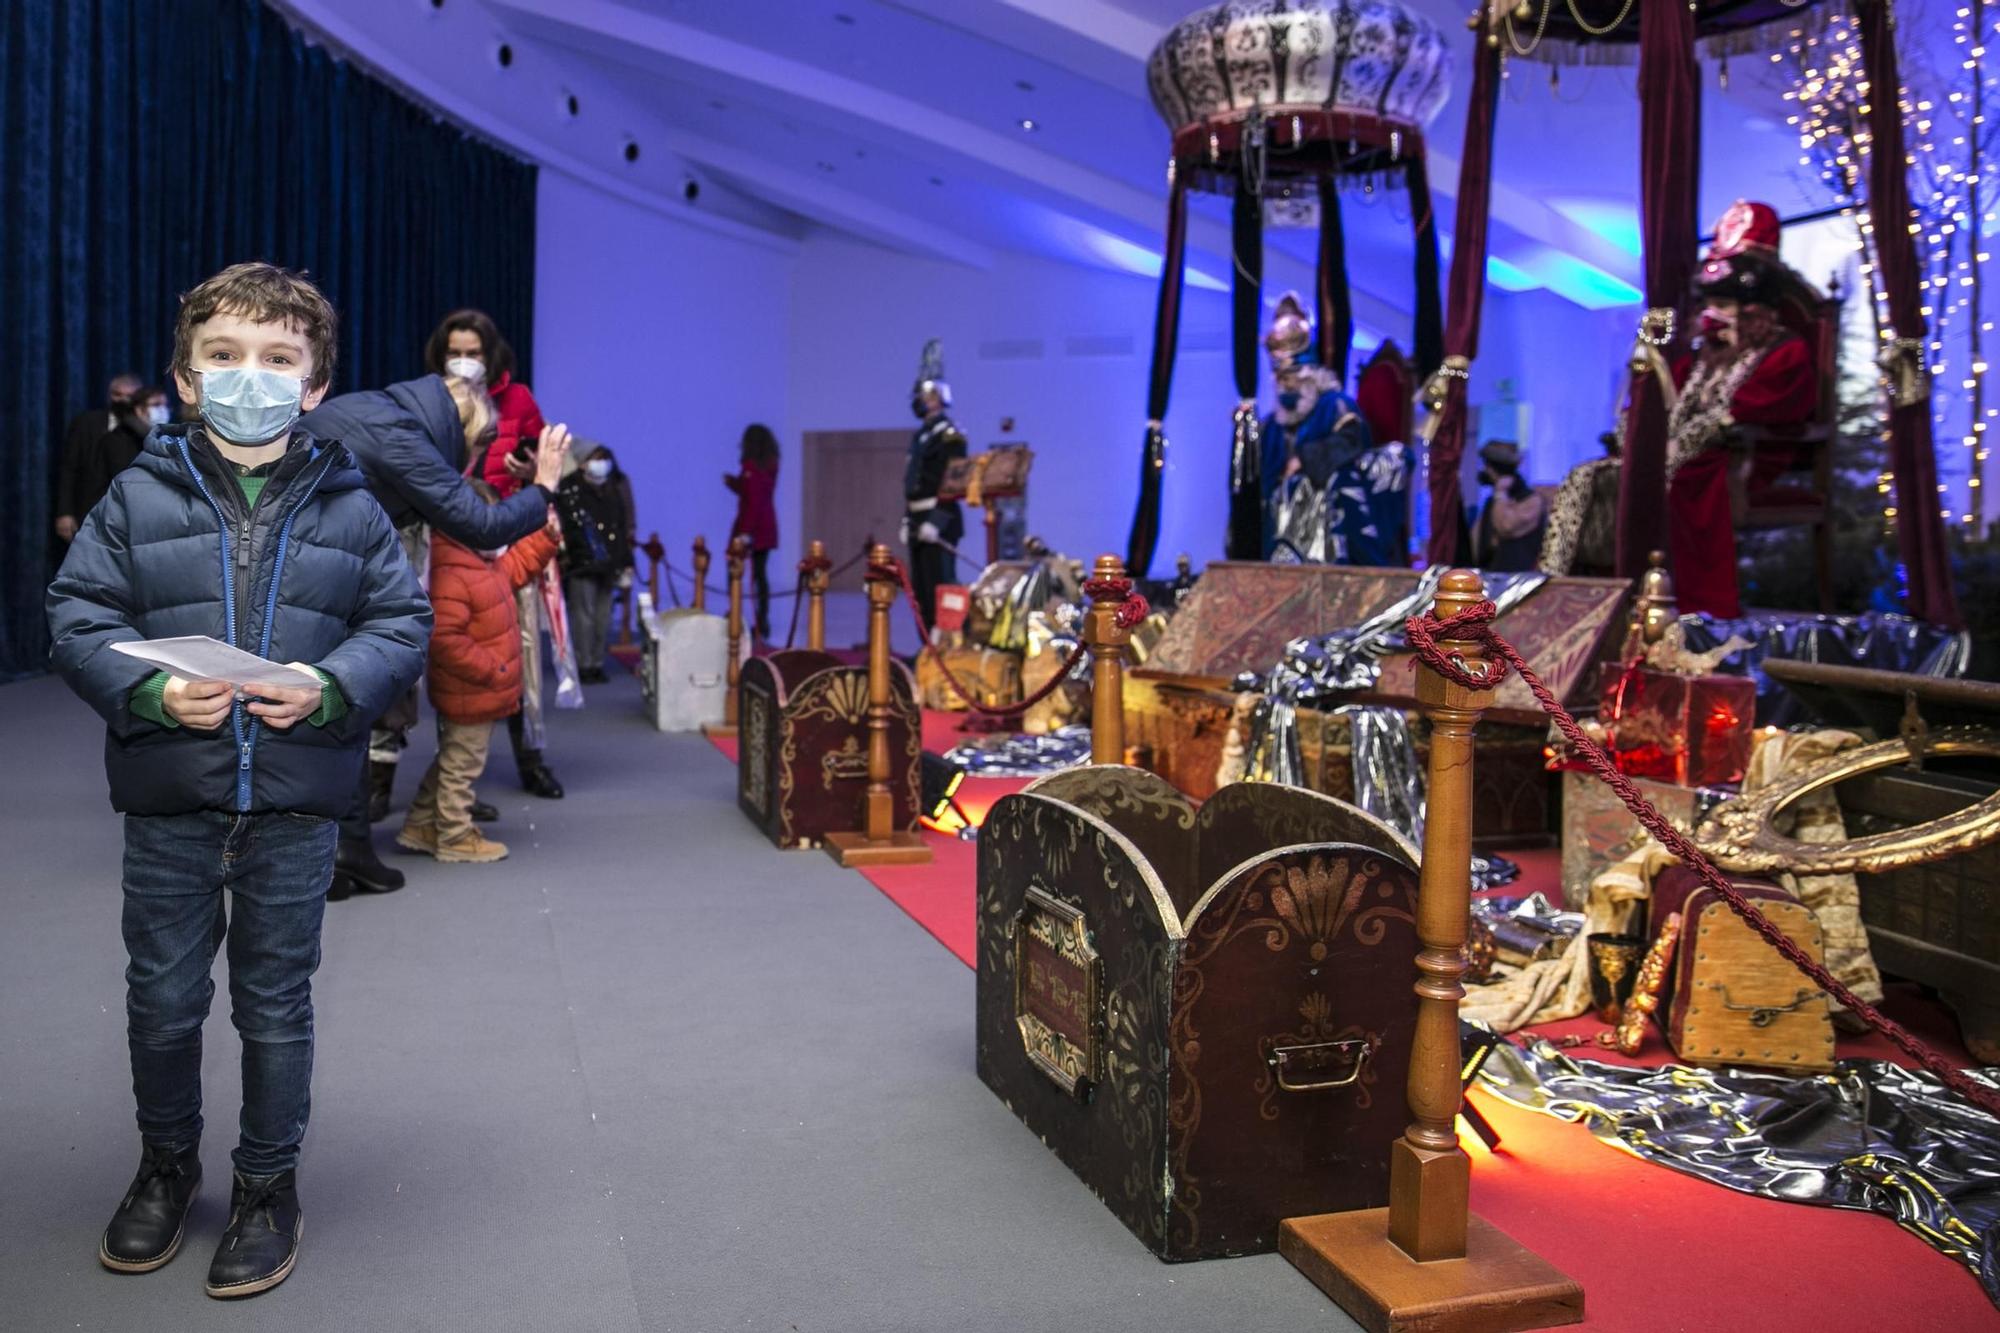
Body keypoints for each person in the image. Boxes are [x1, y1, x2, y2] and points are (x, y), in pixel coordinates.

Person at [46, 262, 430, 1299]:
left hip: (297, 804)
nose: (247, 376)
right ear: (184, 376)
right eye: (223, 356)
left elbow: (399, 624)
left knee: (275, 1003)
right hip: (171, 795)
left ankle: (266, 1183)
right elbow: (78, 619)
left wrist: (330, 685)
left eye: (275, 359)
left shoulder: (352, 505)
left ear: (311, 386)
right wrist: (155, 697)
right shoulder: (135, 494)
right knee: (163, 1000)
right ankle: (166, 1165)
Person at [299, 375, 571, 880]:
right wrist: (544, 488)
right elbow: (480, 524)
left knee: (334, 710)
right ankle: (339, 855)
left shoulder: (382, 409)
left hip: (309, 570)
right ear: (463, 428)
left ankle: (347, 851)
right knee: (339, 711)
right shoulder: (404, 437)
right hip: (312, 577)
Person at [424, 308, 564, 798]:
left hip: (510, 536)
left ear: (491, 355)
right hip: (452, 542)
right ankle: (457, 780)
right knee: (457, 657)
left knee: (519, 650)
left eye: (473, 354)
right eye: (455, 353)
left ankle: (531, 757)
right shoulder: (431, 399)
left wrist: (527, 473)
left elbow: (543, 458)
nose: (464, 362)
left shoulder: (519, 399)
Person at [1666, 200, 1819, 618]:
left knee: (1685, 471)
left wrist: (1704, 430)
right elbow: (1663, 402)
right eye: (1710, 302)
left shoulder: (1785, 352)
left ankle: (1699, 606)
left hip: (1750, 454)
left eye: (1727, 303)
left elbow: (1771, 406)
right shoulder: (1696, 360)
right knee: (1596, 477)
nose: (1714, 315)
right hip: (1694, 448)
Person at [398, 484, 562, 862]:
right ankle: (455, 836)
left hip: (477, 689)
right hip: (472, 688)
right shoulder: (453, 572)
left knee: (452, 759)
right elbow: (445, 639)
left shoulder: (478, 560)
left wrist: (546, 537)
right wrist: (494, 671)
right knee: (463, 765)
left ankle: (421, 824)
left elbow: (516, 567)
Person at [1253, 294, 1411, 566]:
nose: (1287, 386)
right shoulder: (1273, 424)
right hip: (1284, 516)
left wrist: (1304, 459)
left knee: (1301, 487)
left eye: (1293, 378)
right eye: (1282, 380)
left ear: (1310, 376)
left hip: (1327, 512)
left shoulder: (1336, 406)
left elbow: (1351, 447)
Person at [903, 339, 966, 634]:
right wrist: (908, 518)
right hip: (918, 521)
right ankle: (928, 645)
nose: (918, 399)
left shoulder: (950, 436)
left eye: (923, 394)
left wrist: (936, 521)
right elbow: (912, 481)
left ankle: (947, 645)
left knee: (943, 586)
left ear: (936, 397)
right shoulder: (920, 437)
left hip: (939, 521)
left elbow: (952, 483)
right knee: (921, 591)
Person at [559, 442, 636, 681]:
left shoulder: (612, 487)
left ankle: (596, 661)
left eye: (603, 458)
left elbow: (620, 525)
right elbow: (569, 528)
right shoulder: (569, 488)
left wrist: (625, 560)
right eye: (595, 458)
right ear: (582, 462)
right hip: (581, 563)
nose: (601, 463)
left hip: (609, 563)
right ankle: (583, 664)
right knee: (583, 614)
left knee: (603, 615)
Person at [55, 373, 143, 542]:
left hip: (131, 514)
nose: (123, 400)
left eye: (129, 396)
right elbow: (69, 468)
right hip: (89, 509)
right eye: (117, 394)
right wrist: (65, 512)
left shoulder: (145, 428)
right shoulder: (86, 423)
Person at [75, 385, 171, 527]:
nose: (163, 410)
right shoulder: (119, 439)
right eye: (156, 405)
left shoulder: (164, 439)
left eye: (165, 405)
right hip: (117, 519)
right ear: (139, 409)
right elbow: (127, 482)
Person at [1539, 431, 1623, 577]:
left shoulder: (1583, 471)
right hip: (1606, 556)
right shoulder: (1590, 472)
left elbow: (1564, 523)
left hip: (1592, 557)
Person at [724, 425, 779, 642]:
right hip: (766, 525)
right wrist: (735, 484)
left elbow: (753, 501)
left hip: (751, 525)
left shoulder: (752, 467)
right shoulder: (769, 465)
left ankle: (737, 614)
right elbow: (753, 492)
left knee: (735, 571)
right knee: (760, 574)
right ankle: (762, 620)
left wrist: (745, 532)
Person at [1471, 440, 1549, 572]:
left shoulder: (1531, 501)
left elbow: (1507, 526)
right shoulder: (1493, 500)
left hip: (1518, 578)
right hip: (1491, 573)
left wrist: (1501, 494)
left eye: (1488, 467)